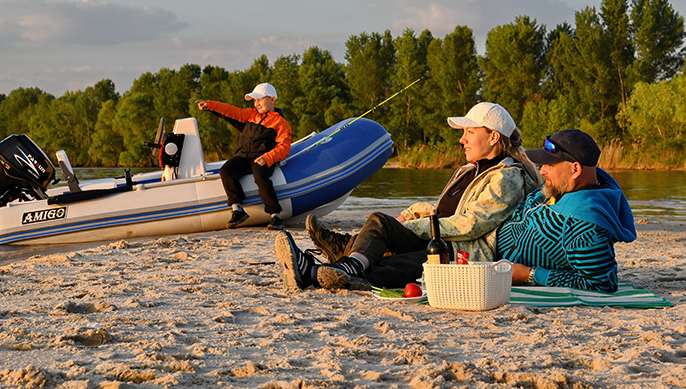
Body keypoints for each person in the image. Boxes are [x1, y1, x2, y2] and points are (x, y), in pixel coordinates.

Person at [275, 102, 541, 290]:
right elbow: (445, 211)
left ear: (494, 137)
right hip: (442, 240)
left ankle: (326, 264)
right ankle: (347, 259)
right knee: (380, 221)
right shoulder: (469, 170)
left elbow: (471, 224)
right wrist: (415, 213)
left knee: (389, 260)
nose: (462, 140)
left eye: (469, 132)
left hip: (461, 253)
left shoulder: (506, 177)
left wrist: (412, 227)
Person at [495, 129, 635, 292]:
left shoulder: (585, 228)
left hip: (489, 264)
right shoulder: (562, 186)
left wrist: (529, 275)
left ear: (575, 170)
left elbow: (601, 284)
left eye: (550, 164)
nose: (542, 171)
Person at [196, 83, 292, 230]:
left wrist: (268, 157)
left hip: (262, 157)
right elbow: (230, 111)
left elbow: (284, 147)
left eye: (259, 99)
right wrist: (209, 105)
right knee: (226, 171)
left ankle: (275, 216)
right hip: (243, 155)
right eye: (254, 100)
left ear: (272, 100)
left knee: (260, 176)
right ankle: (237, 210)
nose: (256, 103)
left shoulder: (280, 123)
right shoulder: (250, 115)